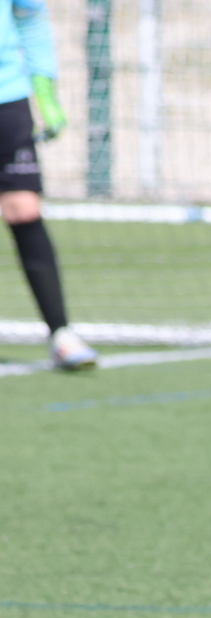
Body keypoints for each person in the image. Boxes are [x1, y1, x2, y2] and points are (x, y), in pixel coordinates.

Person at [1, 1, 94, 369]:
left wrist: (44, 91)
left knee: (24, 209)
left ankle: (61, 333)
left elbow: (31, 19)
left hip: (7, 98)